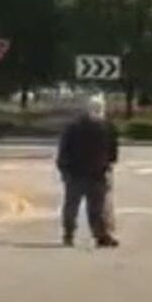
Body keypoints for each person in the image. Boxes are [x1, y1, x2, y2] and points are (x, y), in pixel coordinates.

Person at [56, 96, 119, 248]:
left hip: (79, 172)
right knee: (95, 207)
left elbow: (64, 148)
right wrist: (109, 164)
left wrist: (63, 168)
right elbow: (113, 151)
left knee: (76, 205)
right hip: (93, 173)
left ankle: (71, 234)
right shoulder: (107, 126)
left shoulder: (74, 126)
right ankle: (98, 235)